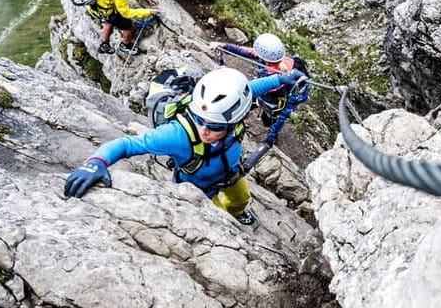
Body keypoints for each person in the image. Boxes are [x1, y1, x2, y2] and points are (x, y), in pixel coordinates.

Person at [63, 67, 307, 226]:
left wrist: (281, 80)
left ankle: (238, 212)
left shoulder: (231, 109)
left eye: (213, 126)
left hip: (231, 174)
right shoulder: (178, 135)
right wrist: (96, 162)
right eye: (200, 121)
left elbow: (247, 89)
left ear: (235, 118)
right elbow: (128, 144)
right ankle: (232, 222)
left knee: (242, 200)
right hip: (197, 191)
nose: (204, 130)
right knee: (220, 219)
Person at [209, 33, 308, 127]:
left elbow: (251, 87)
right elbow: (246, 52)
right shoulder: (282, 60)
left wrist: (227, 73)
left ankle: (269, 130)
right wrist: (224, 46)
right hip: (268, 97)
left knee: (268, 118)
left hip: (272, 102)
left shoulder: (274, 75)